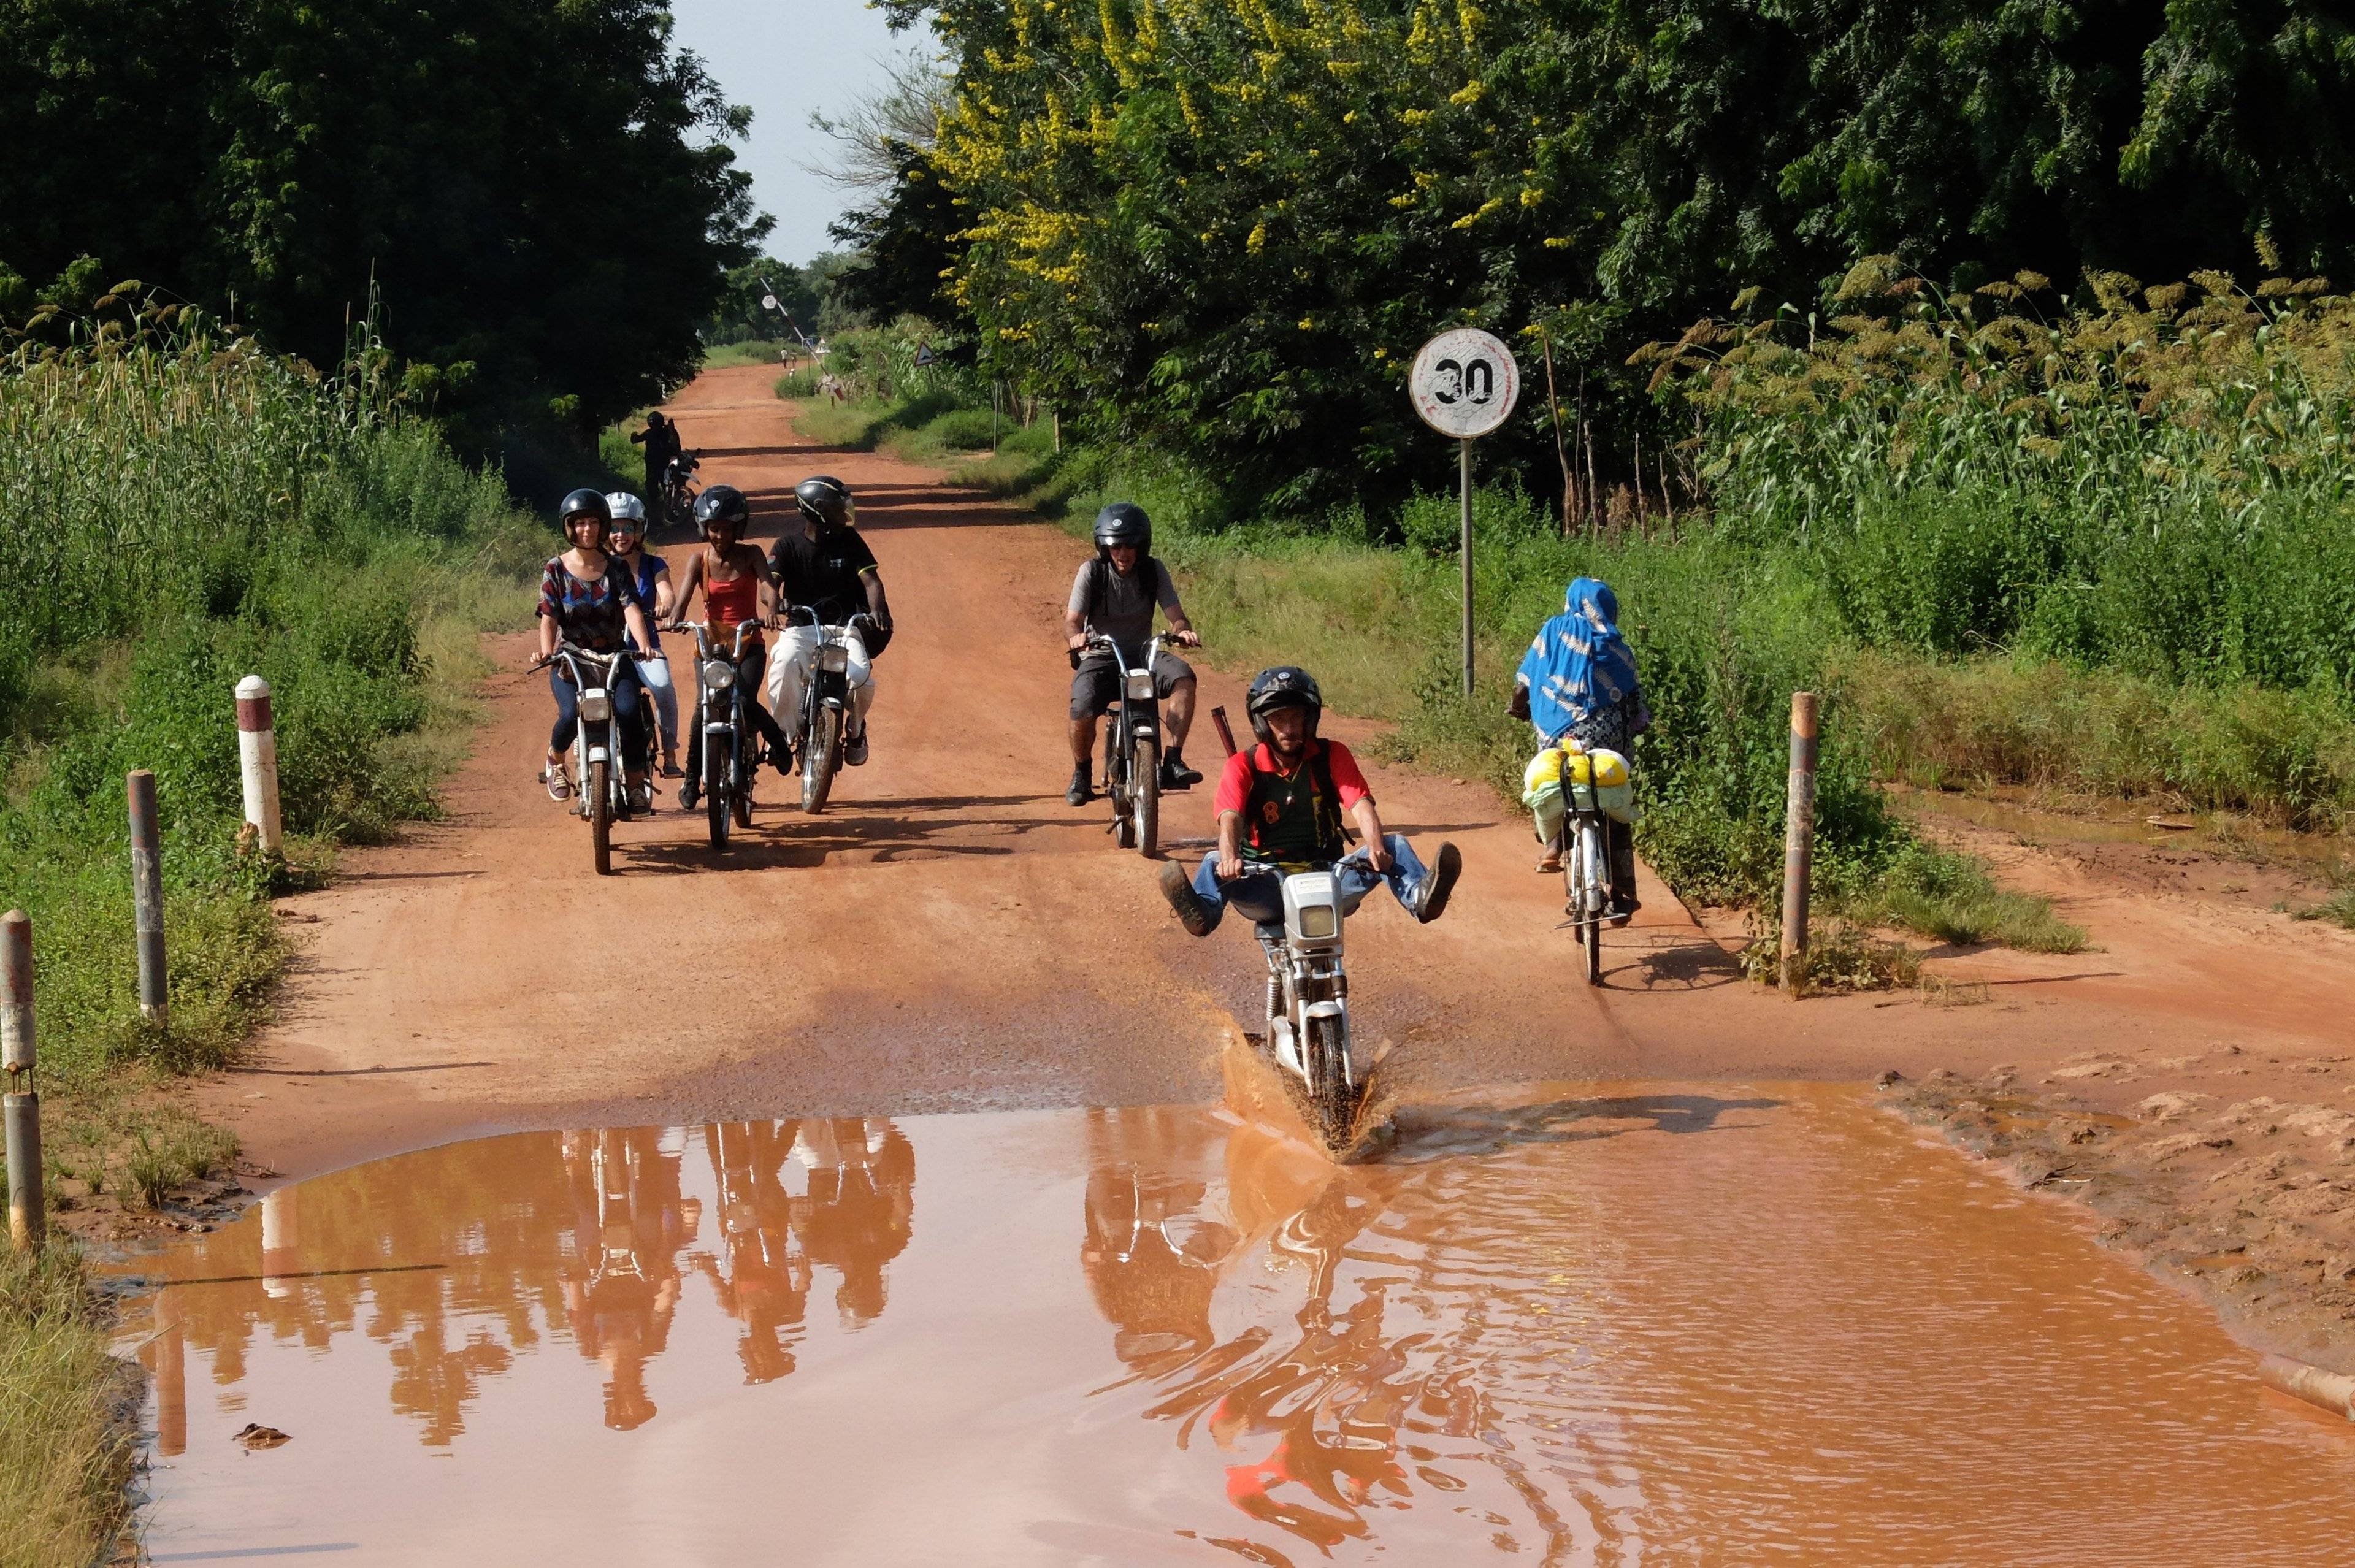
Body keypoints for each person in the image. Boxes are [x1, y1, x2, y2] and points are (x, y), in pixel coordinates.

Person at [1158, 666, 1460, 936]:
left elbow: (1361, 805)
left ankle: (1421, 898)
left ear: (1310, 719)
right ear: (1262, 723)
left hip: (1329, 876)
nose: (1289, 729)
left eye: (1296, 718)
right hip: (1266, 882)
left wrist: (1377, 848)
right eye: (1278, 719)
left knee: (1396, 845)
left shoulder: (1332, 755)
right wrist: (1230, 859)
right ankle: (1203, 912)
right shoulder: (1242, 764)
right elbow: (1230, 818)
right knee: (1212, 863)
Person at [1509, 575, 1646, 917]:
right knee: (1614, 802)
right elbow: (1634, 701)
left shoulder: (1555, 633)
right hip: (1608, 741)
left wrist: (1519, 708)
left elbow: (1524, 682)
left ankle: (1553, 845)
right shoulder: (1616, 647)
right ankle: (1624, 889)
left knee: (1550, 775)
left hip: (1559, 737)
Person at [1064, 502, 1202, 806]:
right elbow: (1073, 620)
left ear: (1142, 546)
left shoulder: (1154, 571)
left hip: (1143, 654)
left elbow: (1177, 616)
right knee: (1082, 704)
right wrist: (1077, 638)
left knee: (1184, 678)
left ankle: (1173, 760)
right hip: (1101, 655)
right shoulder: (1092, 572)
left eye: (1130, 545)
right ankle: (1082, 773)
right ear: (1104, 547)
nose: (1123, 552)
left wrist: (1182, 630)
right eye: (1115, 545)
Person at [670, 484, 791, 808]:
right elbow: (681, 603)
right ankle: (692, 780)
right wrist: (674, 619)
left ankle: (778, 741)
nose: (720, 536)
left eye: (726, 529)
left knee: (745, 699)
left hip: (748, 641)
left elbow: (767, 587)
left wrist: (772, 609)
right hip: (710, 646)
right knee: (702, 709)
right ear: (704, 529)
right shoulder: (699, 561)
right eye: (713, 529)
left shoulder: (752, 554)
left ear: (739, 528)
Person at [534, 489, 655, 809]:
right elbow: (549, 616)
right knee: (570, 714)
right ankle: (556, 761)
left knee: (629, 713)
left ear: (602, 526)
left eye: (593, 522)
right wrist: (547, 651)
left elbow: (631, 608)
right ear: (569, 528)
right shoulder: (555, 569)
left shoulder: (616, 568)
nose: (587, 529)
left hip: (615, 657)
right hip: (571, 661)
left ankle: (635, 782)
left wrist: (643, 645)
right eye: (579, 523)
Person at [768, 475, 892, 767]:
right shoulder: (787, 546)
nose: (845, 510)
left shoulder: (850, 541)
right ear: (819, 509)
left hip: (844, 630)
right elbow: (769, 585)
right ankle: (784, 737)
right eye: (839, 506)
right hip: (800, 628)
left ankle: (856, 729)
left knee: (862, 679)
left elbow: (871, 581)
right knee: (783, 667)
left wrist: (878, 610)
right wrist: (774, 604)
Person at [605, 493, 678, 779]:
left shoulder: (653, 565)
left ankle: (670, 753)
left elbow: (667, 593)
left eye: (627, 528)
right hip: (607, 650)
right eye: (614, 528)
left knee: (663, 687)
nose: (620, 535)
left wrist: (665, 607)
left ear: (639, 530)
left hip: (644, 650)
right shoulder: (598, 565)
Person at [629, 411, 683, 508]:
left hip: (656, 463)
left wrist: (634, 435)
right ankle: (661, 505)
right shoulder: (666, 431)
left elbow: (635, 440)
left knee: (656, 484)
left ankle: (660, 505)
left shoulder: (652, 432)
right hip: (660, 462)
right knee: (657, 485)